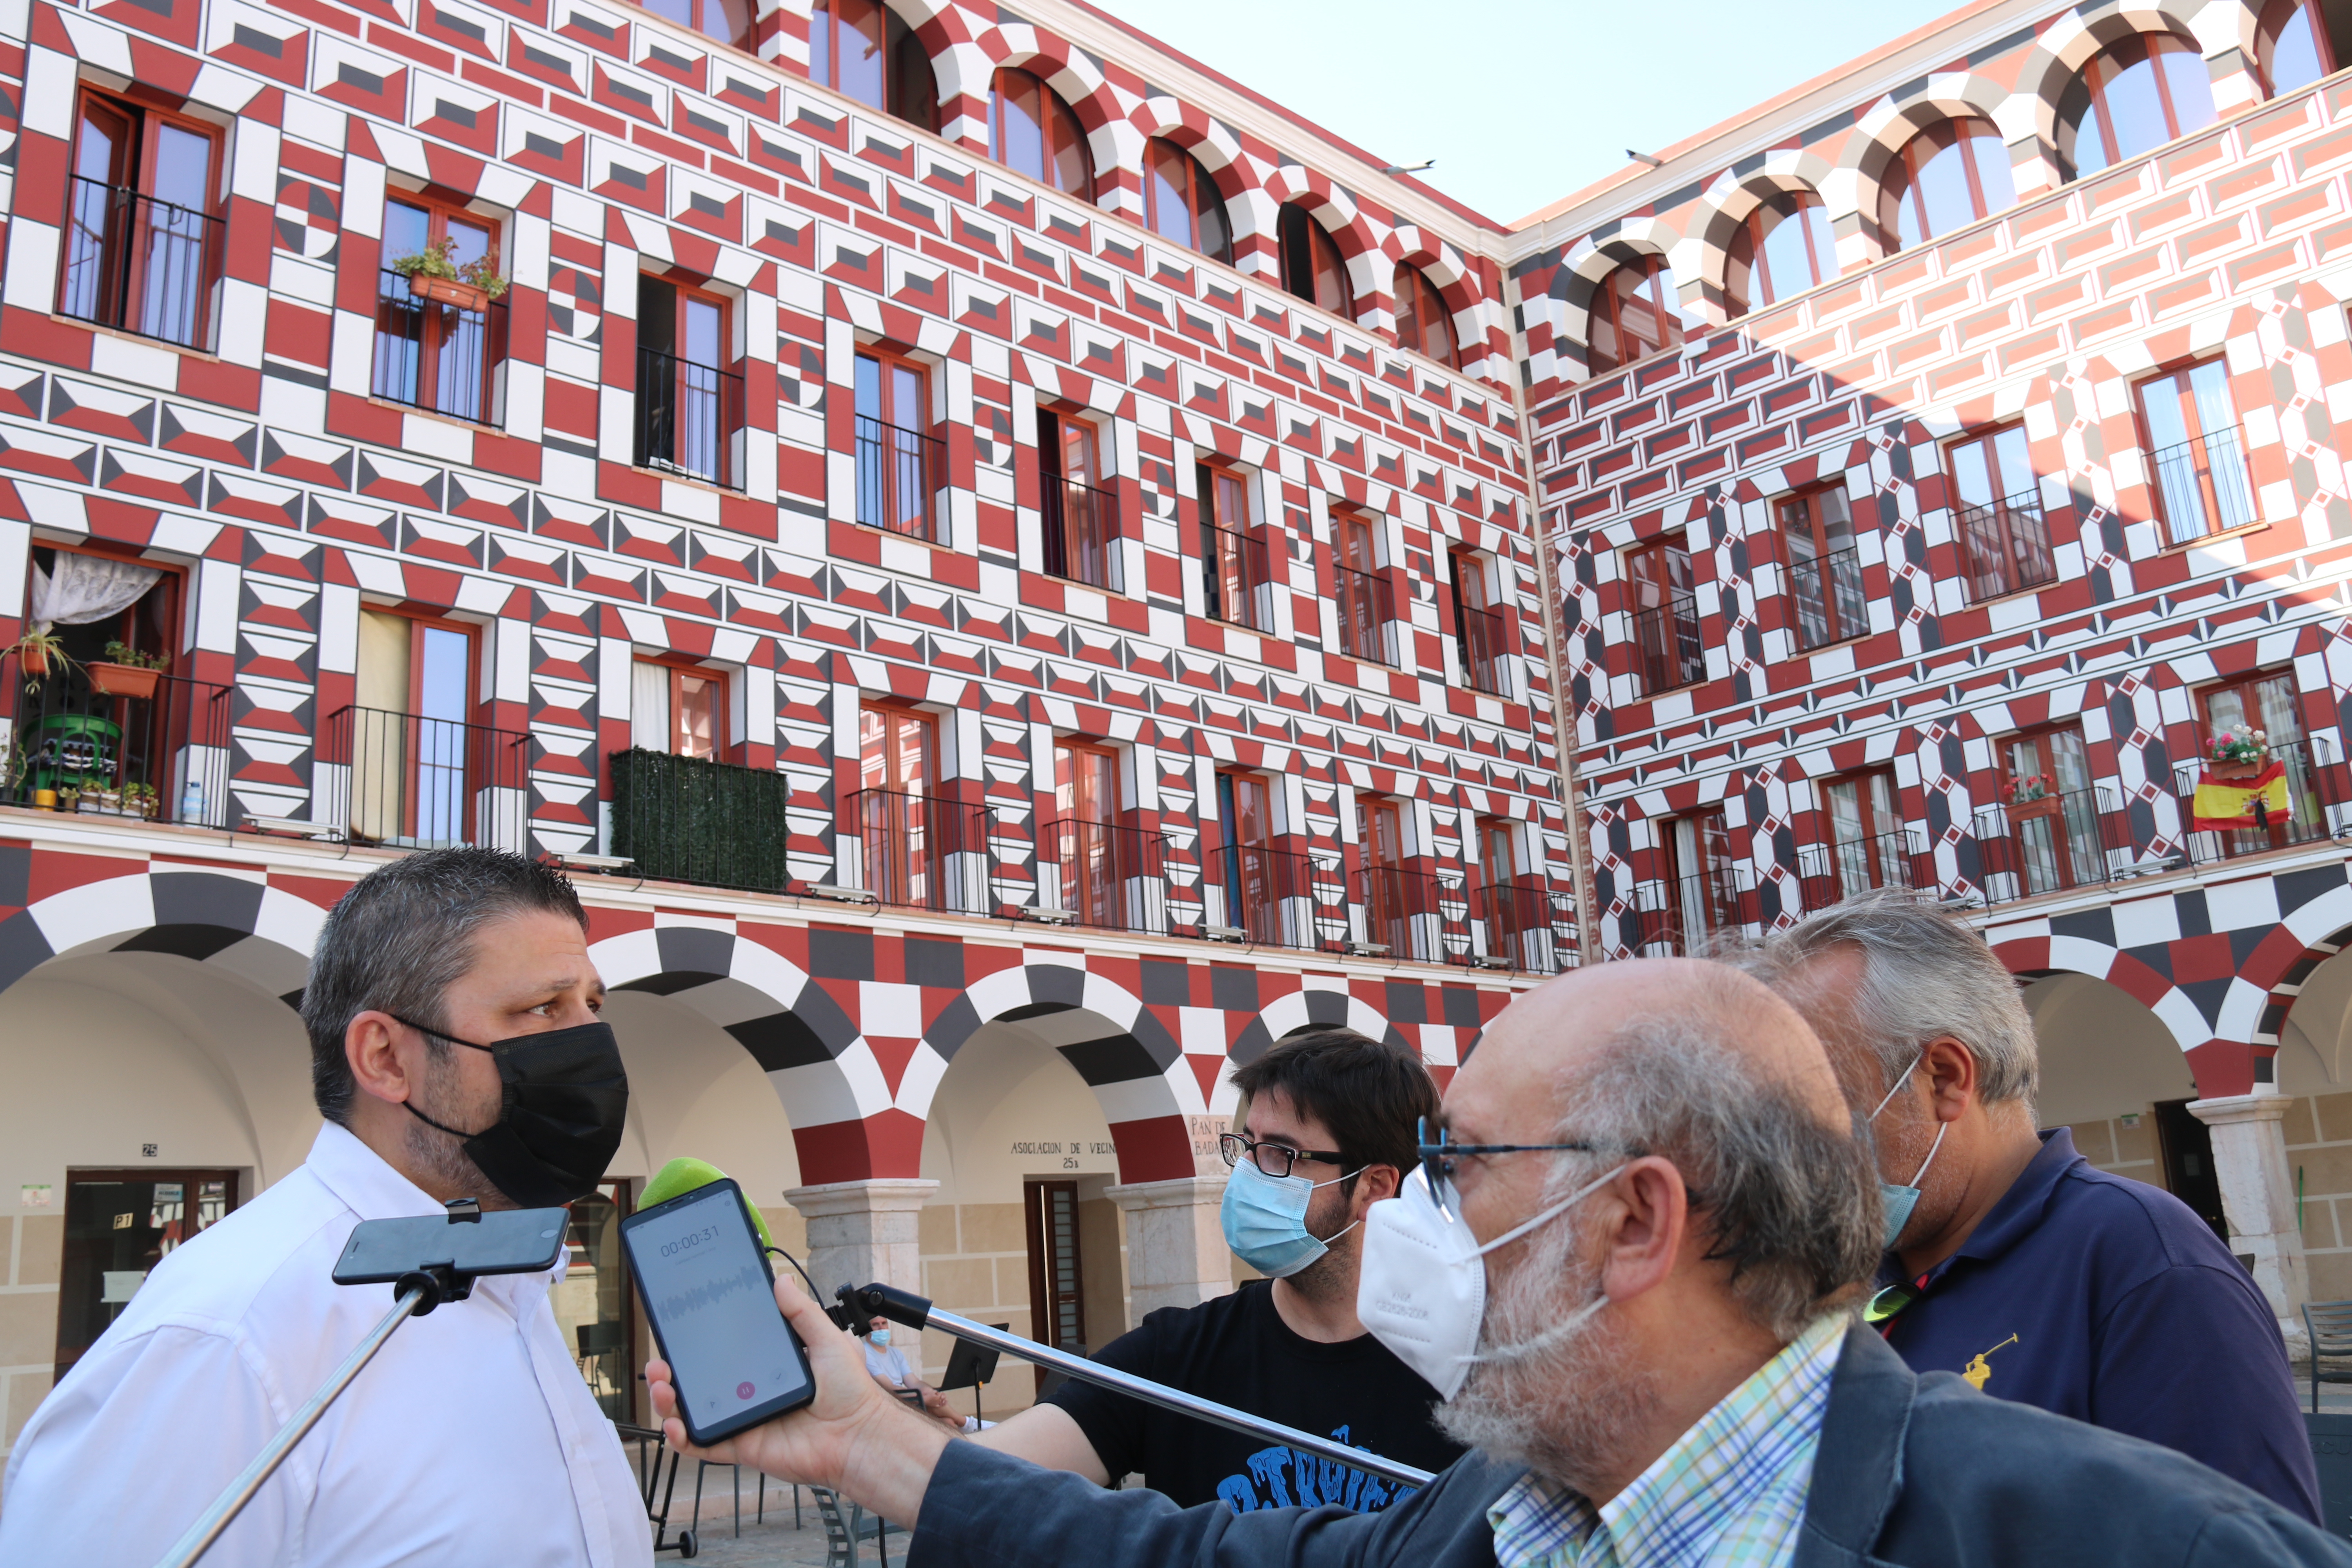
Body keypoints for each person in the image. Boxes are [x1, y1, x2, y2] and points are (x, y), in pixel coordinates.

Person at [645, 959, 2352, 1568]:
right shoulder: (1488, 1524)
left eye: (1457, 1163)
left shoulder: (2120, 1539)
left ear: (1633, 1219)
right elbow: (1148, 1554)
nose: (1417, 1212)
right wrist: (852, 1434)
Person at [0, 849, 650, 1567]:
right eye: (542, 1008)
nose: (591, 1043)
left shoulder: (507, 1280)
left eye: (592, 1005)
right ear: (385, 1058)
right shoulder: (223, 1342)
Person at [1730, 890, 2322, 1522]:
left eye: (1823, 1107)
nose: (1794, 1152)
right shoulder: (1854, 1275)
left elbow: (2248, 1542)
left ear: (1947, 1077)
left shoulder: (2144, 1262)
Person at [973, 1027, 1465, 1510]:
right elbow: (979, 1479)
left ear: (1374, 1186)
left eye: (1281, 1153)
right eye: (1247, 1145)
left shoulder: (1473, 1370)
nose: (1248, 1173)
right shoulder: (1177, 1356)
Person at [866, 1314, 984, 1433]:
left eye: (884, 1323)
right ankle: (967, 1423)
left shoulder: (895, 1353)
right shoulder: (865, 1353)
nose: (881, 1328)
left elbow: (915, 1382)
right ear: (866, 1328)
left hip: (906, 1400)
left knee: (949, 1423)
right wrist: (924, 1399)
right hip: (888, 1403)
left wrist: (934, 1394)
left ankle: (965, 1425)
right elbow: (889, 1389)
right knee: (931, 1402)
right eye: (876, 1325)